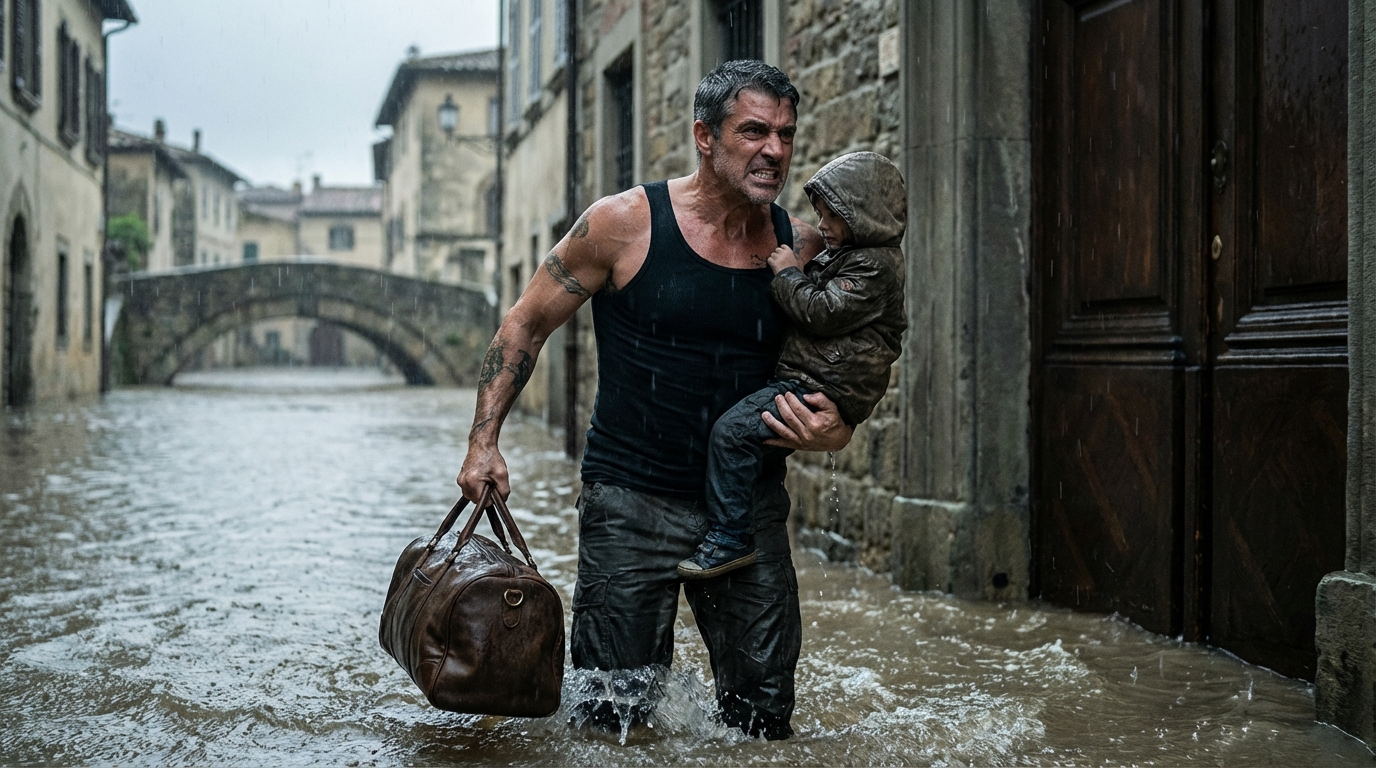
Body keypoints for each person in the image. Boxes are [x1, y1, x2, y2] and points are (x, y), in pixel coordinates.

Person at [456, 60, 852, 740]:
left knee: (763, 725)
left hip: (748, 511)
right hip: (629, 504)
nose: (776, 151)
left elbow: (850, 361)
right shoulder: (622, 225)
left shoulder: (801, 246)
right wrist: (483, 442)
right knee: (610, 724)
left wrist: (839, 424)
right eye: (754, 131)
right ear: (705, 135)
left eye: (786, 134)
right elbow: (525, 322)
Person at [677, 152, 908, 580]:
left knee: (732, 434)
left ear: (859, 216)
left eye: (829, 217)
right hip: (820, 377)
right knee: (741, 436)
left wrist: (786, 273)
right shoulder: (859, 257)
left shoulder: (874, 266)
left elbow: (822, 311)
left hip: (824, 385)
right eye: (819, 215)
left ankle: (730, 538)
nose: (821, 226)